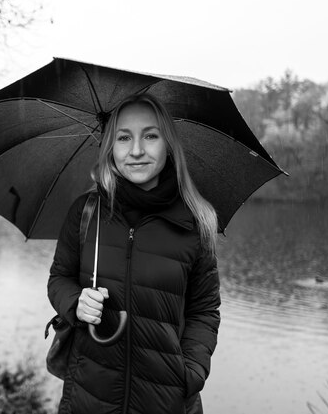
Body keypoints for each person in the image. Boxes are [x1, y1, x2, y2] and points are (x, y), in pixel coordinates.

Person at [47, 93, 221, 414]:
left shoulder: (195, 223)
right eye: (123, 138)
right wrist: (76, 303)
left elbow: (205, 310)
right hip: (89, 398)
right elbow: (59, 278)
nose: (137, 150)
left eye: (150, 136)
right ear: (110, 148)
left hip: (167, 402)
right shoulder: (86, 213)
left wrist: (191, 373)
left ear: (168, 144)